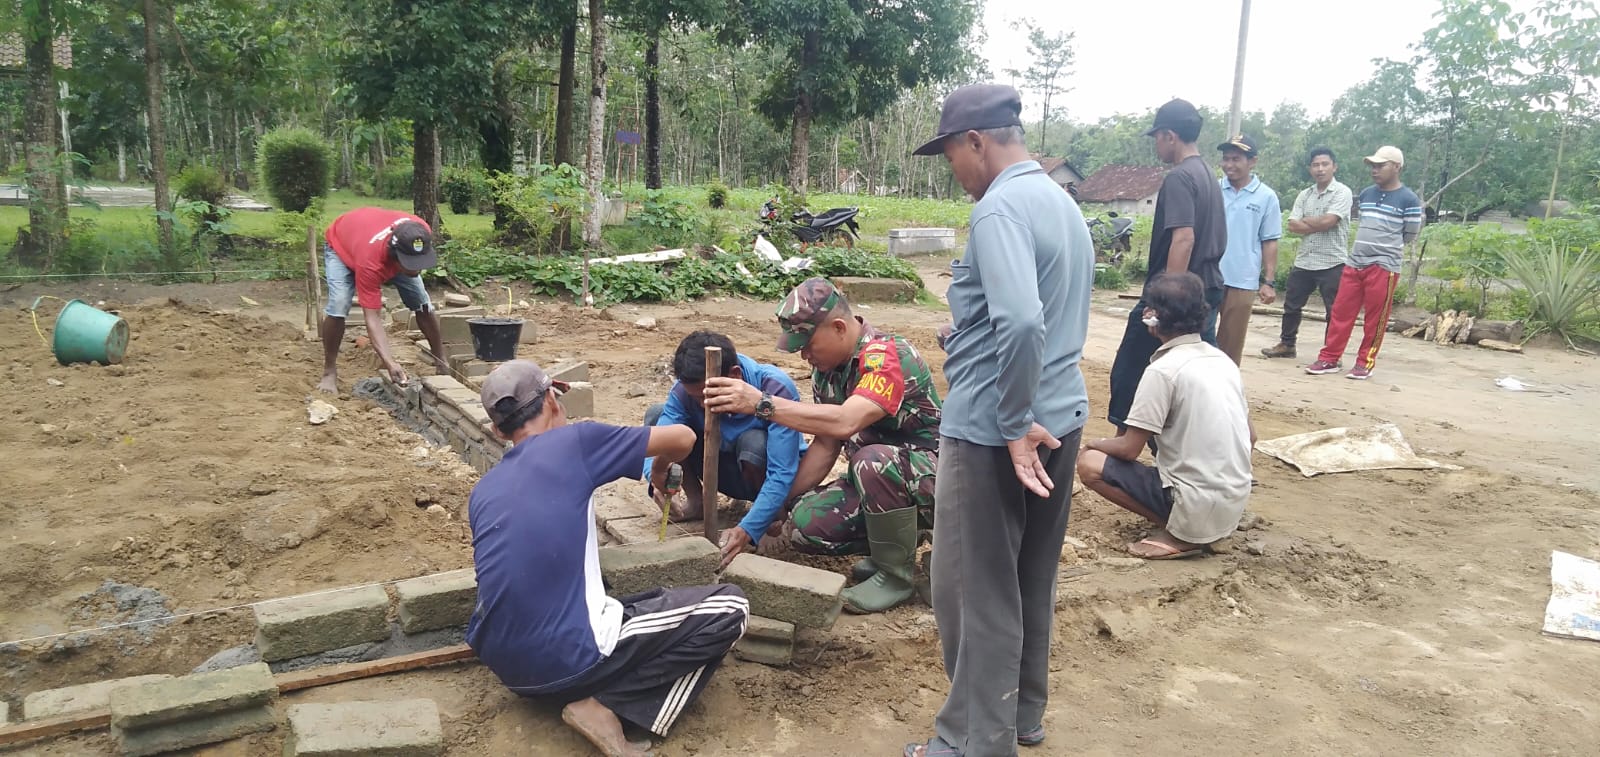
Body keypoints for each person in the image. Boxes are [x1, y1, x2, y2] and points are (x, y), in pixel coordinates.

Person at [902, 83, 1095, 757]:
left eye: (951, 153)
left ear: (977, 141)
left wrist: (1011, 421)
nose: (953, 170)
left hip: (997, 430)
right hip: (1062, 415)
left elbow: (1020, 320)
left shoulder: (999, 208)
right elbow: (1037, 314)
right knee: (1029, 574)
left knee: (973, 589)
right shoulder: (1062, 205)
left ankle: (972, 740)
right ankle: (1021, 714)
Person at [465, 360, 749, 757]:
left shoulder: (484, 491)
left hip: (509, 670)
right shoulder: (578, 442)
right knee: (730, 605)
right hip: (567, 661)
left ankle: (589, 686)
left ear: (497, 430)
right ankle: (606, 706)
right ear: (552, 400)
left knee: (641, 599)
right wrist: (661, 469)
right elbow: (683, 438)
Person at [702, 278, 941, 614]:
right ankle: (899, 540)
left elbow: (846, 421)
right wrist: (777, 505)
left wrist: (762, 404)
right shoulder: (828, 372)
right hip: (880, 482)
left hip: (942, 481)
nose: (804, 355)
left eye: (808, 344)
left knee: (872, 460)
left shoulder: (886, 356)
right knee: (803, 523)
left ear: (839, 327)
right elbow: (826, 444)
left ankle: (895, 575)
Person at [1078, 272, 1252, 559]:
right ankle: (1201, 525)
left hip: (1195, 503)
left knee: (1089, 462)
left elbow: (1129, 449)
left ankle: (1180, 534)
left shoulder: (1162, 370)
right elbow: (1251, 436)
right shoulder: (1223, 362)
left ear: (1152, 318)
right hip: (1233, 503)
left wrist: (1092, 442)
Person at [1107, 98, 1227, 432]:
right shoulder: (1208, 176)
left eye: (1157, 137)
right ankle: (1240, 437)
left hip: (1179, 294)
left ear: (1170, 136)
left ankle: (1121, 443)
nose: (1157, 144)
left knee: (1130, 368)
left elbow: (1184, 239)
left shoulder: (1179, 177)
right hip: (1207, 288)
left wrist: (1163, 302)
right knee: (1205, 369)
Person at [642, 331, 805, 569]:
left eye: (708, 396)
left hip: (759, 474)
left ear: (734, 375)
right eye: (696, 397)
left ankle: (773, 518)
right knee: (657, 415)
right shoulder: (684, 391)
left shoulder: (773, 388)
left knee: (754, 442)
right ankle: (697, 502)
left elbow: (782, 471)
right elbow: (661, 435)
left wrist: (748, 529)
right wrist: (655, 476)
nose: (702, 405)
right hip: (716, 467)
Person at [1305, 145, 1421, 380]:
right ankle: (1329, 358)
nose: (1375, 170)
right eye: (1372, 166)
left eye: (1380, 166)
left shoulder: (1409, 199)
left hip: (1384, 265)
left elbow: (1410, 234)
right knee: (1340, 312)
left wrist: (1386, 249)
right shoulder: (1367, 194)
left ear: (1396, 167)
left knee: (1375, 318)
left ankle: (1364, 362)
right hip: (1355, 261)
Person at [317, 207, 448, 394]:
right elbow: (372, 318)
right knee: (339, 303)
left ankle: (441, 360)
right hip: (342, 245)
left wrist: (410, 265)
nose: (417, 270)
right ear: (395, 256)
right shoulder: (371, 262)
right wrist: (390, 362)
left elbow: (413, 271)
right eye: (410, 264)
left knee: (422, 302)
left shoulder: (419, 231)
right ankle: (329, 371)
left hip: (368, 234)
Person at [1262, 147, 1352, 359]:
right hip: (1305, 260)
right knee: (1291, 305)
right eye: (1315, 165)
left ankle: (1331, 354)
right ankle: (1287, 344)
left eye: (1325, 164)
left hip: (1333, 261)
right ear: (1310, 168)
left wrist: (1309, 222)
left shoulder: (1342, 192)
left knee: (1334, 311)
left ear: (1334, 166)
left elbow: (1330, 221)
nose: (1320, 169)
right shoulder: (1305, 195)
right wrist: (1319, 223)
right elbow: (1292, 225)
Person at [1214, 134, 1283, 364]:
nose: (1229, 165)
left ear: (1252, 162)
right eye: (1225, 159)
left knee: (1230, 345)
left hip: (1242, 279)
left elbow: (1270, 240)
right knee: (1199, 339)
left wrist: (1269, 281)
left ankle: (1225, 393)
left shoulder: (1266, 197)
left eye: (1236, 159)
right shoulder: (1214, 190)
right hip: (1209, 275)